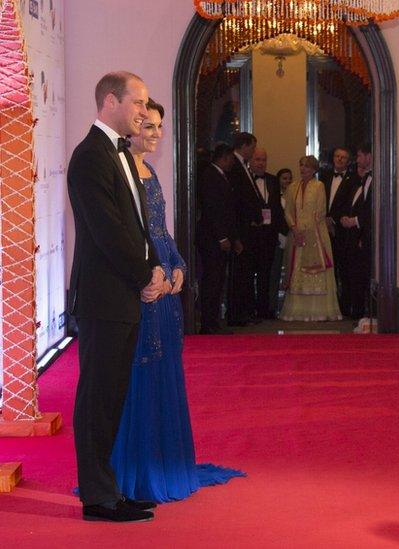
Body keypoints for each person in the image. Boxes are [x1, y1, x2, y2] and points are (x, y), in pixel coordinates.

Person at [110, 99, 243, 503]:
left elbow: (161, 230)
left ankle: (166, 464)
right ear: (130, 126)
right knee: (140, 376)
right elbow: (127, 236)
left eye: (159, 127)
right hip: (144, 285)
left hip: (167, 288)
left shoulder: (149, 171)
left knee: (165, 371)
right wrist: (153, 275)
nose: (156, 134)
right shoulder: (118, 171)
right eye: (148, 126)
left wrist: (180, 267)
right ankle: (139, 472)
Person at [67, 70, 165, 522]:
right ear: (110, 101)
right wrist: (145, 274)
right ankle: (98, 497)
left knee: (112, 396)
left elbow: (135, 227)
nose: (144, 113)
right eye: (138, 103)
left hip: (123, 295)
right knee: (97, 398)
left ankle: (108, 489)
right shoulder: (90, 156)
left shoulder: (123, 155)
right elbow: (107, 231)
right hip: (106, 297)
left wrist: (157, 265)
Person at [280, 155, 342, 321]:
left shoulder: (319, 186)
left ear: (314, 169)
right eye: (301, 165)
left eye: (306, 166)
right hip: (297, 235)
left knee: (317, 271)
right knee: (297, 270)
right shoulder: (293, 187)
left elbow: (320, 212)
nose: (302, 169)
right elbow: (287, 211)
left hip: (316, 234)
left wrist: (306, 231)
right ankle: (298, 310)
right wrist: (294, 229)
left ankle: (319, 311)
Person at [196, 143, 238, 335]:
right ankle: (208, 322)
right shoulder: (211, 176)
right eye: (231, 159)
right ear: (225, 157)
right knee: (212, 281)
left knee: (217, 279)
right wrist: (222, 237)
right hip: (212, 239)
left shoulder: (219, 175)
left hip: (218, 238)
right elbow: (213, 209)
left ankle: (212, 321)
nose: (232, 163)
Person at [247, 147, 287, 319]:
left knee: (267, 274)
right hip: (252, 233)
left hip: (269, 235)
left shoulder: (272, 180)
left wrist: (281, 232)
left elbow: (277, 208)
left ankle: (265, 309)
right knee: (248, 275)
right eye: (257, 159)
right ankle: (249, 310)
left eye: (263, 160)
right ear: (251, 161)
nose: (261, 163)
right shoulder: (246, 179)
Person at [336, 143, 374, 319]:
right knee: (354, 275)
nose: (357, 160)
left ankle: (362, 313)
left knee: (362, 276)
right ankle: (357, 313)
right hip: (356, 234)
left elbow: (372, 209)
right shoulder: (364, 180)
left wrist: (356, 221)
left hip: (366, 234)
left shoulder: (374, 178)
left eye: (359, 156)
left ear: (368, 156)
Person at [226, 131, 259, 326]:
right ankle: (237, 314)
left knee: (245, 272)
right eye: (253, 147)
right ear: (244, 146)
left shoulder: (242, 166)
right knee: (239, 273)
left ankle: (243, 312)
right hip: (240, 229)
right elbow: (237, 200)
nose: (254, 151)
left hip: (247, 228)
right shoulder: (234, 166)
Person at [323, 146, 358, 316]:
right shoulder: (324, 177)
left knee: (344, 269)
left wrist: (334, 220)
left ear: (349, 161)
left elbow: (349, 204)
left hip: (342, 232)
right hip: (324, 229)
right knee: (328, 269)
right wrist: (325, 218)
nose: (339, 159)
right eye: (337, 156)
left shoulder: (353, 179)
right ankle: (329, 305)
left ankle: (345, 307)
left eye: (343, 157)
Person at [268, 167, 294, 316]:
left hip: (292, 236)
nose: (287, 181)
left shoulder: (295, 195)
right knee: (275, 272)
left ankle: (288, 307)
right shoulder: (274, 195)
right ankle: (272, 306)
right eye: (284, 178)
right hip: (278, 236)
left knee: (291, 272)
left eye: (290, 178)